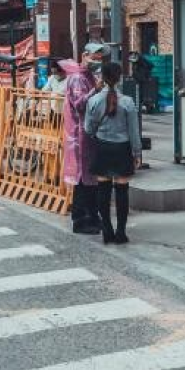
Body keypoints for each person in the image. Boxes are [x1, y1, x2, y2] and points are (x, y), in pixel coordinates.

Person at [85, 62, 141, 244]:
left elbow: (88, 128)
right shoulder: (128, 102)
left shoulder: (93, 100)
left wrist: (98, 133)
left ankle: (106, 230)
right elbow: (134, 132)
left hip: (102, 147)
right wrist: (137, 153)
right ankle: (121, 232)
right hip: (122, 148)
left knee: (103, 190)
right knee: (122, 191)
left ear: (102, 77)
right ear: (119, 78)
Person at [60, 42, 110, 235]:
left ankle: (92, 216)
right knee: (82, 180)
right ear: (84, 55)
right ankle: (80, 219)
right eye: (94, 57)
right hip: (79, 136)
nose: (97, 61)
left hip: (89, 135)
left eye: (100, 59)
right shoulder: (77, 78)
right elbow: (79, 105)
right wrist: (95, 91)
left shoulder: (89, 76)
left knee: (90, 179)